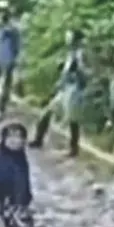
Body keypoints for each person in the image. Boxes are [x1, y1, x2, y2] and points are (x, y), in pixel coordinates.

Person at [30, 29, 86, 158]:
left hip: (74, 88)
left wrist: (77, 70)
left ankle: (73, 148)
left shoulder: (80, 54)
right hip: (65, 87)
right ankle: (38, 139)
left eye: (69, 37)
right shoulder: (70, 53)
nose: (67, 39)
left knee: (73, 118)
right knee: (47, 111)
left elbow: (84, 73)